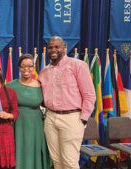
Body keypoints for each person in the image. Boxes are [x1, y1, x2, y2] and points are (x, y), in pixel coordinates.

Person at [38, 36, 96, 169]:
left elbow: (89, 94)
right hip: (50, 119)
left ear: (64, 48)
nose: (53, 50)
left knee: (69, 161)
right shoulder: (44, 72)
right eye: (50, 47)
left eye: (57, 47)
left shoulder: (78, 65)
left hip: (72, 118)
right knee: (56, 161)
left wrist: (83, 120)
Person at [7, 54, 50, 169]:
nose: (26, 69)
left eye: (30, 66)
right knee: (19, 149)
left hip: (37, 125)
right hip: (17, 124)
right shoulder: (10, 85)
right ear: (19, 68)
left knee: (33, 149)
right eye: (23, 66)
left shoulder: (41, 85)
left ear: (34, 67)